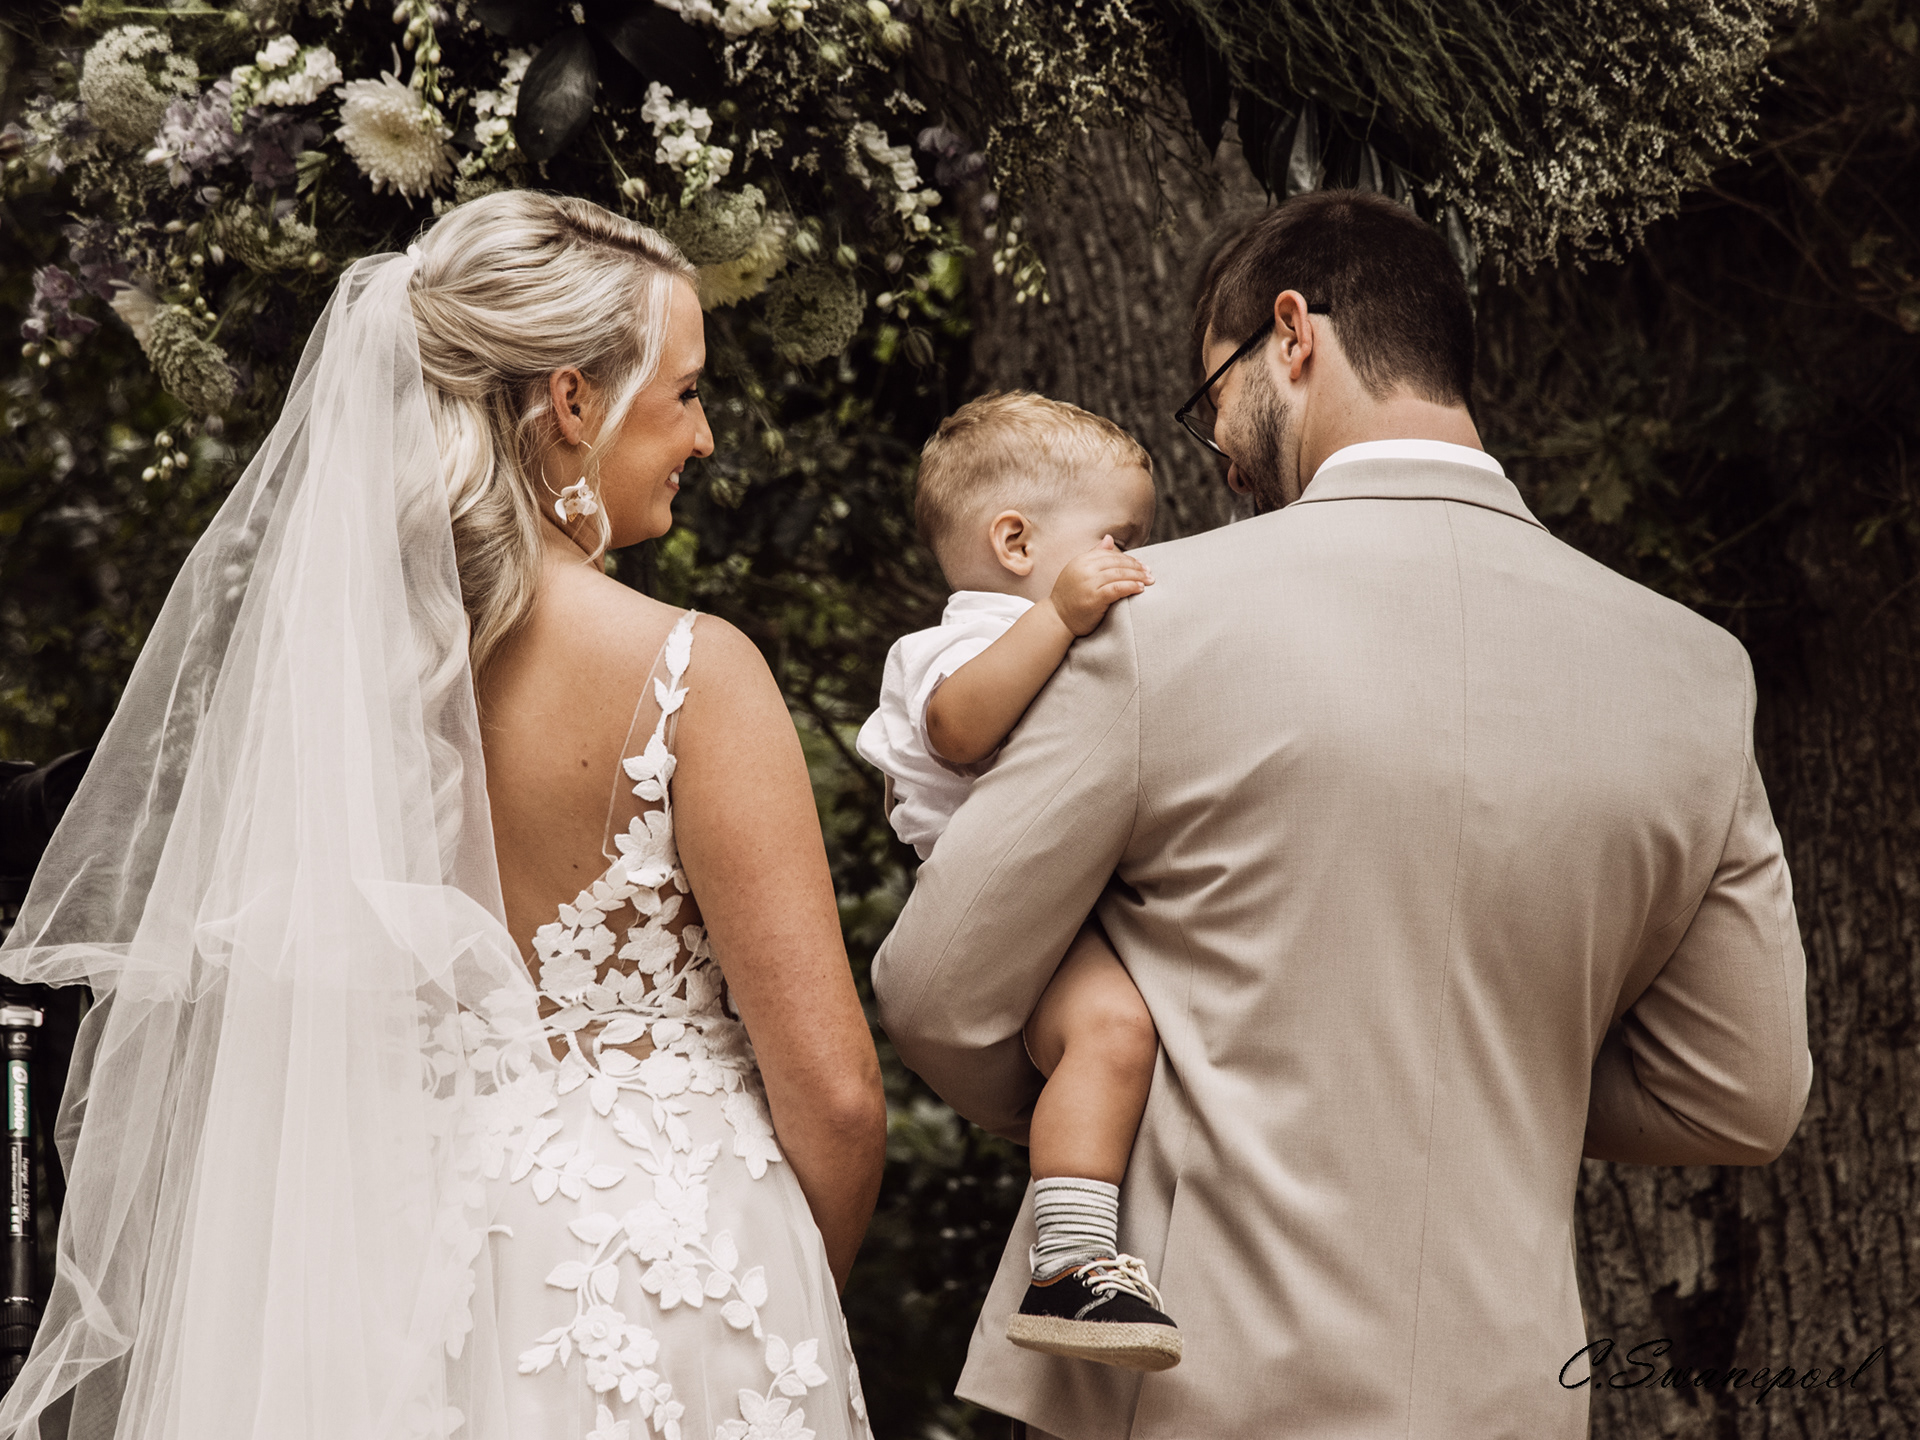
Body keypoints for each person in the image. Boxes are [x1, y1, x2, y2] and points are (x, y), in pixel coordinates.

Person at [871, 189, 1812, 1440]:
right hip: (1510, 1396)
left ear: (1292, 335)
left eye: (1211, 399)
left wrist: (1129, 1095)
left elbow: (939, 989)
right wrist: (1487, 1076)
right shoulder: (1697, 674)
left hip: (1194, 1378)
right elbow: (1740, 1095)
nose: (1220, 456)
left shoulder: (1147, 622)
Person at [0, 191, 887, 1440]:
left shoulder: (333, 698)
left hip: (391, 1290)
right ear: (571, 401)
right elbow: (837, 1099)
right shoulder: (694, 673)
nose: (703, 434)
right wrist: (778, 1298)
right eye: (686, 391)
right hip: (677, 1283)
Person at [856, 392, 1181, 1372]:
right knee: (1112, 1029)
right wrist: (1061, 613)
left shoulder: (1054, 631)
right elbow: (960, 727)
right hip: (1004, 909)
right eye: (1118, 538)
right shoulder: (954, 646)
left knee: (1123, 1038)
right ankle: (1070, 1264)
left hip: (1065, 899)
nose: (1133, 559)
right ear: (1014, 541)